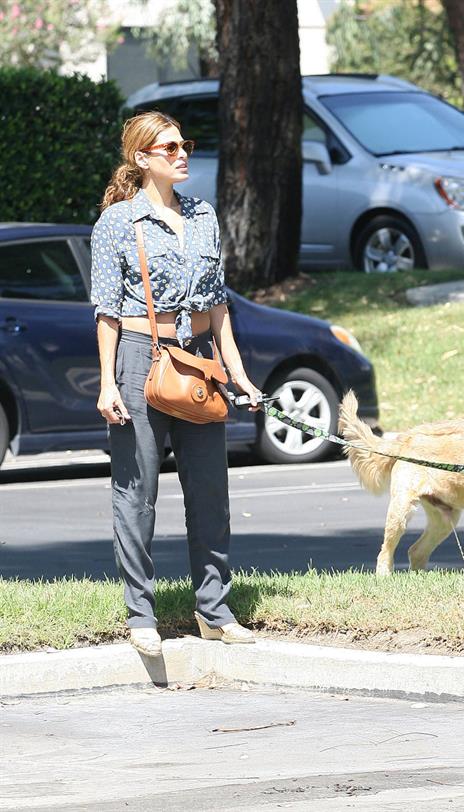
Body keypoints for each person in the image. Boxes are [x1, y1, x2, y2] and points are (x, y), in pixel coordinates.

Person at [91, 111, 261, 657]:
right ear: (142, 159)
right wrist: (107, 384)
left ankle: (213, 609)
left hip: (198, 364)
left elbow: (217, 306)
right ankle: (141, 613)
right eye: (168, 147)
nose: (182, 153)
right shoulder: (118, 223)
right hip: (141, 359)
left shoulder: (205, 216)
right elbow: (107, 312)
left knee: (211, 492)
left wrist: (238, 375)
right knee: (136, 493)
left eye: (184, 144)